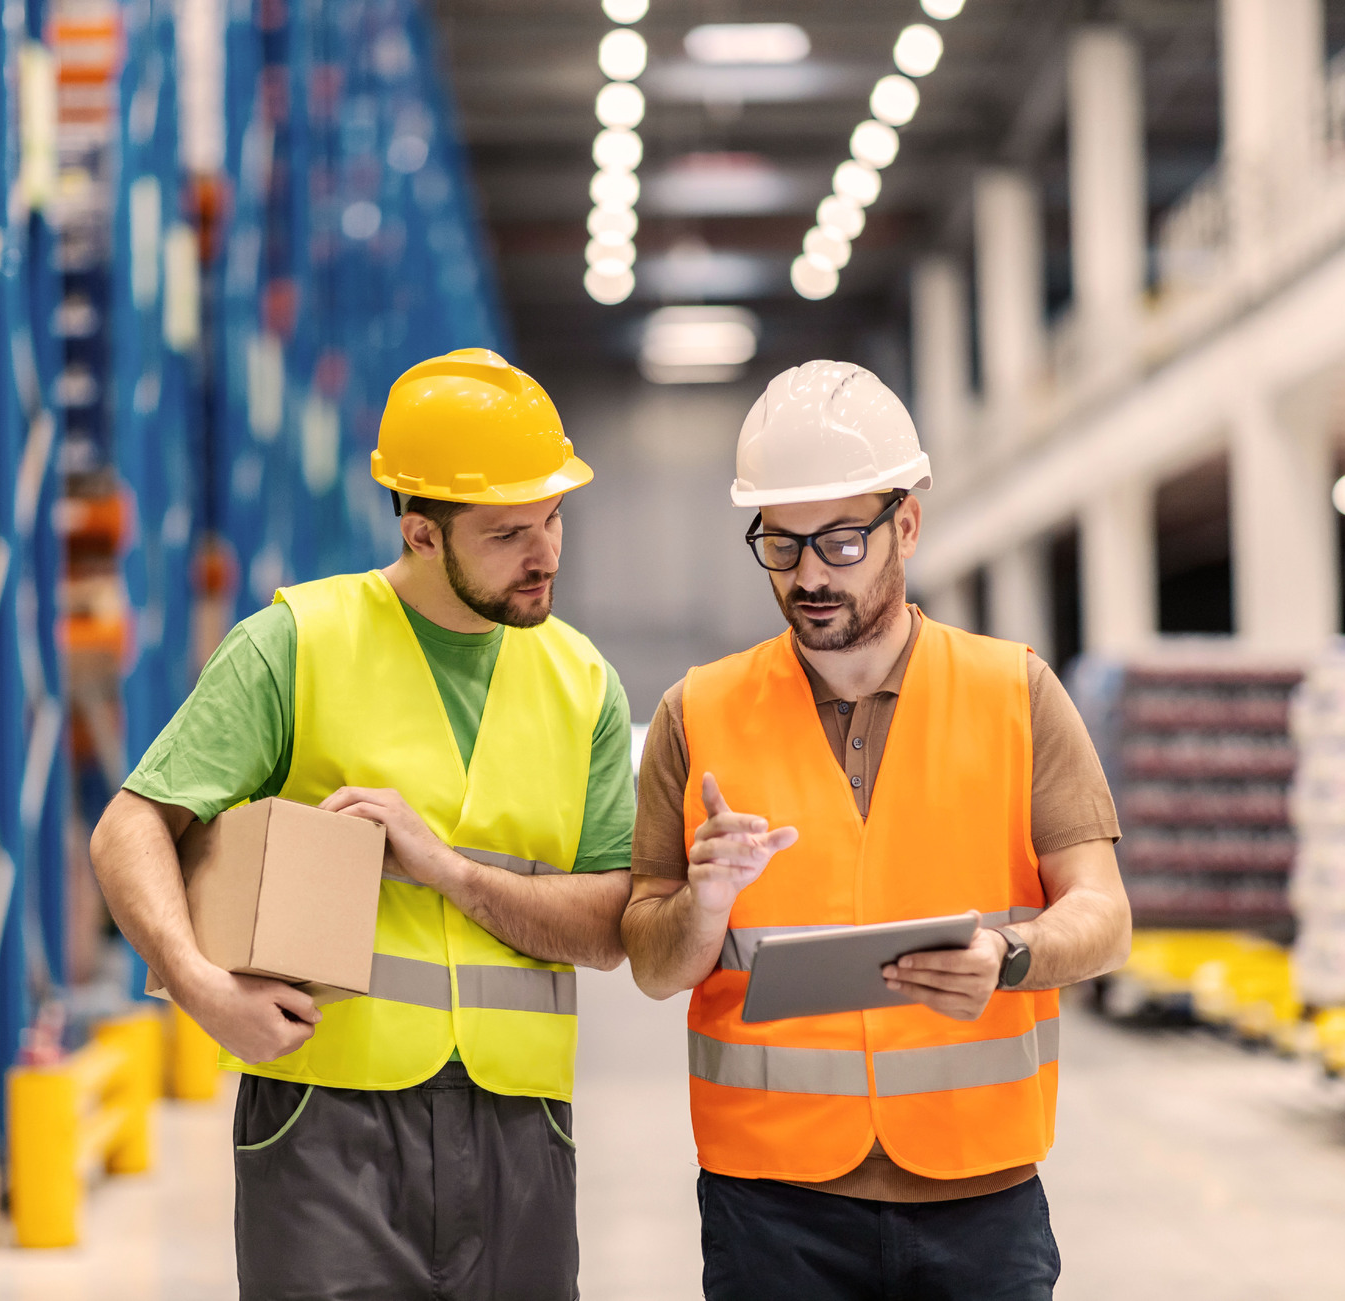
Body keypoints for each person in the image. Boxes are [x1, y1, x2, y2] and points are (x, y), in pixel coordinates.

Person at [90, 348, 636, 1301]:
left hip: (522, 1129)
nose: (546, 553)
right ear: (423, 534)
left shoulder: (581, 680)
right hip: (323, 1120)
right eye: (509, 533)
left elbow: (608, 927)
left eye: (553, 518)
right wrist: (203, 990)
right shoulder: (297, 643)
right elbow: (129, 828)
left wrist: (450, 872)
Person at [621, 360, 1132, 1301]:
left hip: (981, 1195)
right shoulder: (697, 714)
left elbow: (1104, 913)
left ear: (906, 524)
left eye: (842, 541)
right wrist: (703, 904)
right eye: (782, 544)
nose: (810, 574)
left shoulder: (1014, 694)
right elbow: (652, 964)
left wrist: (1009, 954)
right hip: (769, 1206)